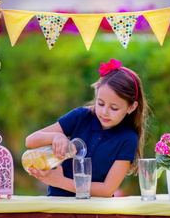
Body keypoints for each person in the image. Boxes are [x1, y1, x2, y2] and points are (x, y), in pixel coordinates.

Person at [25, 58, 149, 197]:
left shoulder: (128, 138)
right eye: (100, 103)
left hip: (96, 213)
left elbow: (107, 190)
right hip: (58, 206)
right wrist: (56, 136)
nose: (104, 112)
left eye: (114, 108)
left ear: (131, 107)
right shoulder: (80, 117)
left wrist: (61, 182)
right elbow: (30, 141)